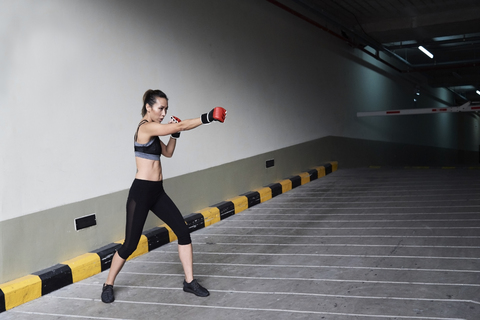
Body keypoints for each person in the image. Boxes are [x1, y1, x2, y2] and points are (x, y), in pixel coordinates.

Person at [101, 89, 227, 303]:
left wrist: (174, 136)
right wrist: (207, 117)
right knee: (130, 244)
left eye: (166, 109)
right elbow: (178, 125)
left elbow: (168, 153)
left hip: (157, 192)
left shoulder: (154, 132)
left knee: (183, 231)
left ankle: (189, 282)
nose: (163, 113)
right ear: (148, 107)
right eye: (160, 108)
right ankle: (108, 284)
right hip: (141, 192)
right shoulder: (145, 128)